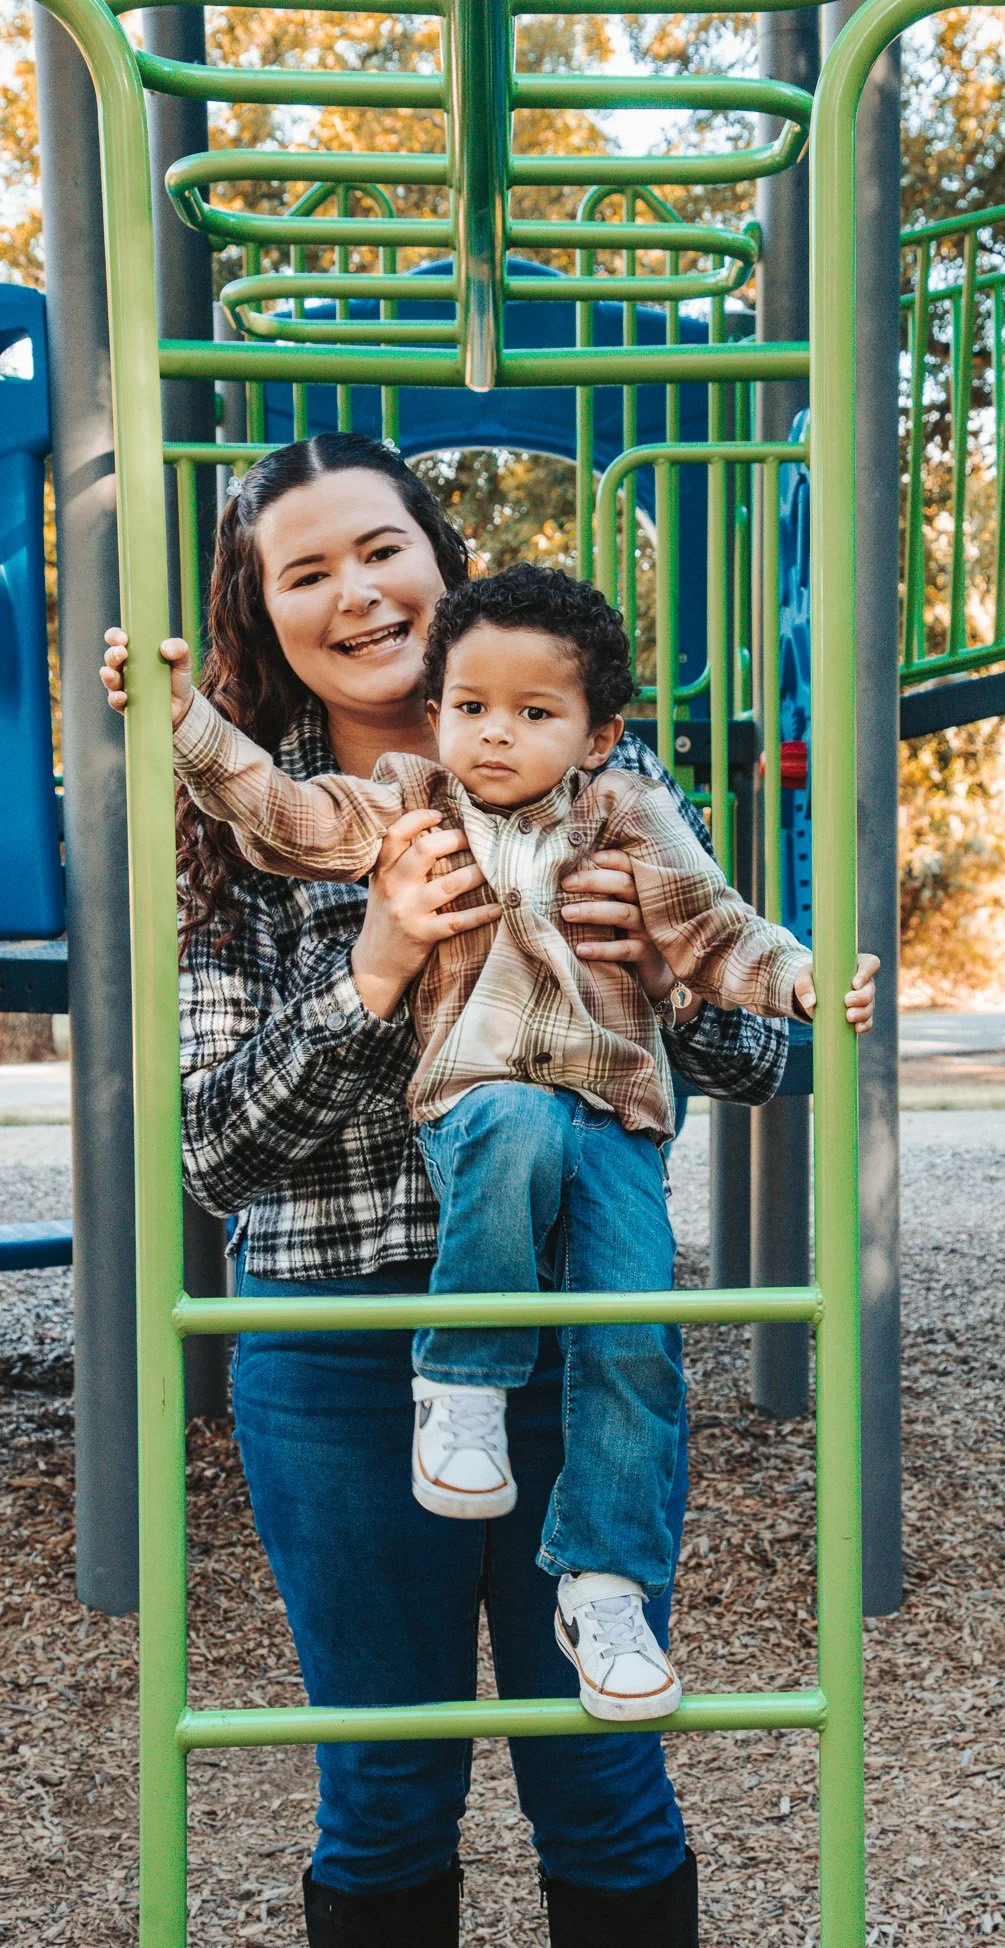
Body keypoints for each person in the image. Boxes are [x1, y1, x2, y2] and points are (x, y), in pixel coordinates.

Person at [100, 432, 808, 1948]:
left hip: (573, 1335)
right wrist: (369, 969)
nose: (355, 593)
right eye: (306, 571)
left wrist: (672, 986)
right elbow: (214, 1153)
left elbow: (784, 1054)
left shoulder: (598, 775)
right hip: (342, 1365)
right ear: (261, 611)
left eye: (381, 549)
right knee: (386, 1789)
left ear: (441, 550)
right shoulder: (240, 830)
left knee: (603, 1775)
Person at [130, 560, 877, 1725]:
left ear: (594, 734)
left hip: (615, 1115)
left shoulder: (629, 806)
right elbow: (280, 813)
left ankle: (606, 1580)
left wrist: (789, 978)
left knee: (636, 1334)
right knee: (515, 1123)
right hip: (456, 1133)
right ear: (439, 710)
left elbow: (720, 931)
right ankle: (462, 1381)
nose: (495, 734)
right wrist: (186, 724)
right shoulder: (405, 802)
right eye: (473, 708)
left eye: (533, 714)